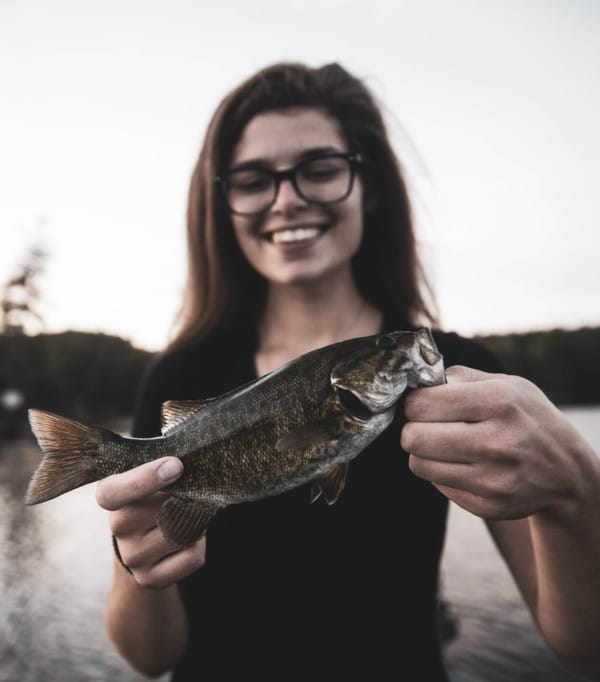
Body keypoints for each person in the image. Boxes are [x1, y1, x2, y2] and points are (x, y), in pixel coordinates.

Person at [96, 62, 600, 680]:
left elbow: (583, 647)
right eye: (255, 180)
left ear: (370, 185)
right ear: (222, 202)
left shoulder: (466, 378)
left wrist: (577, 496)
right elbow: (149, 659)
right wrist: (137, 561)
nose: (287, 199)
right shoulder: (179, 375)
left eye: (320, 168)